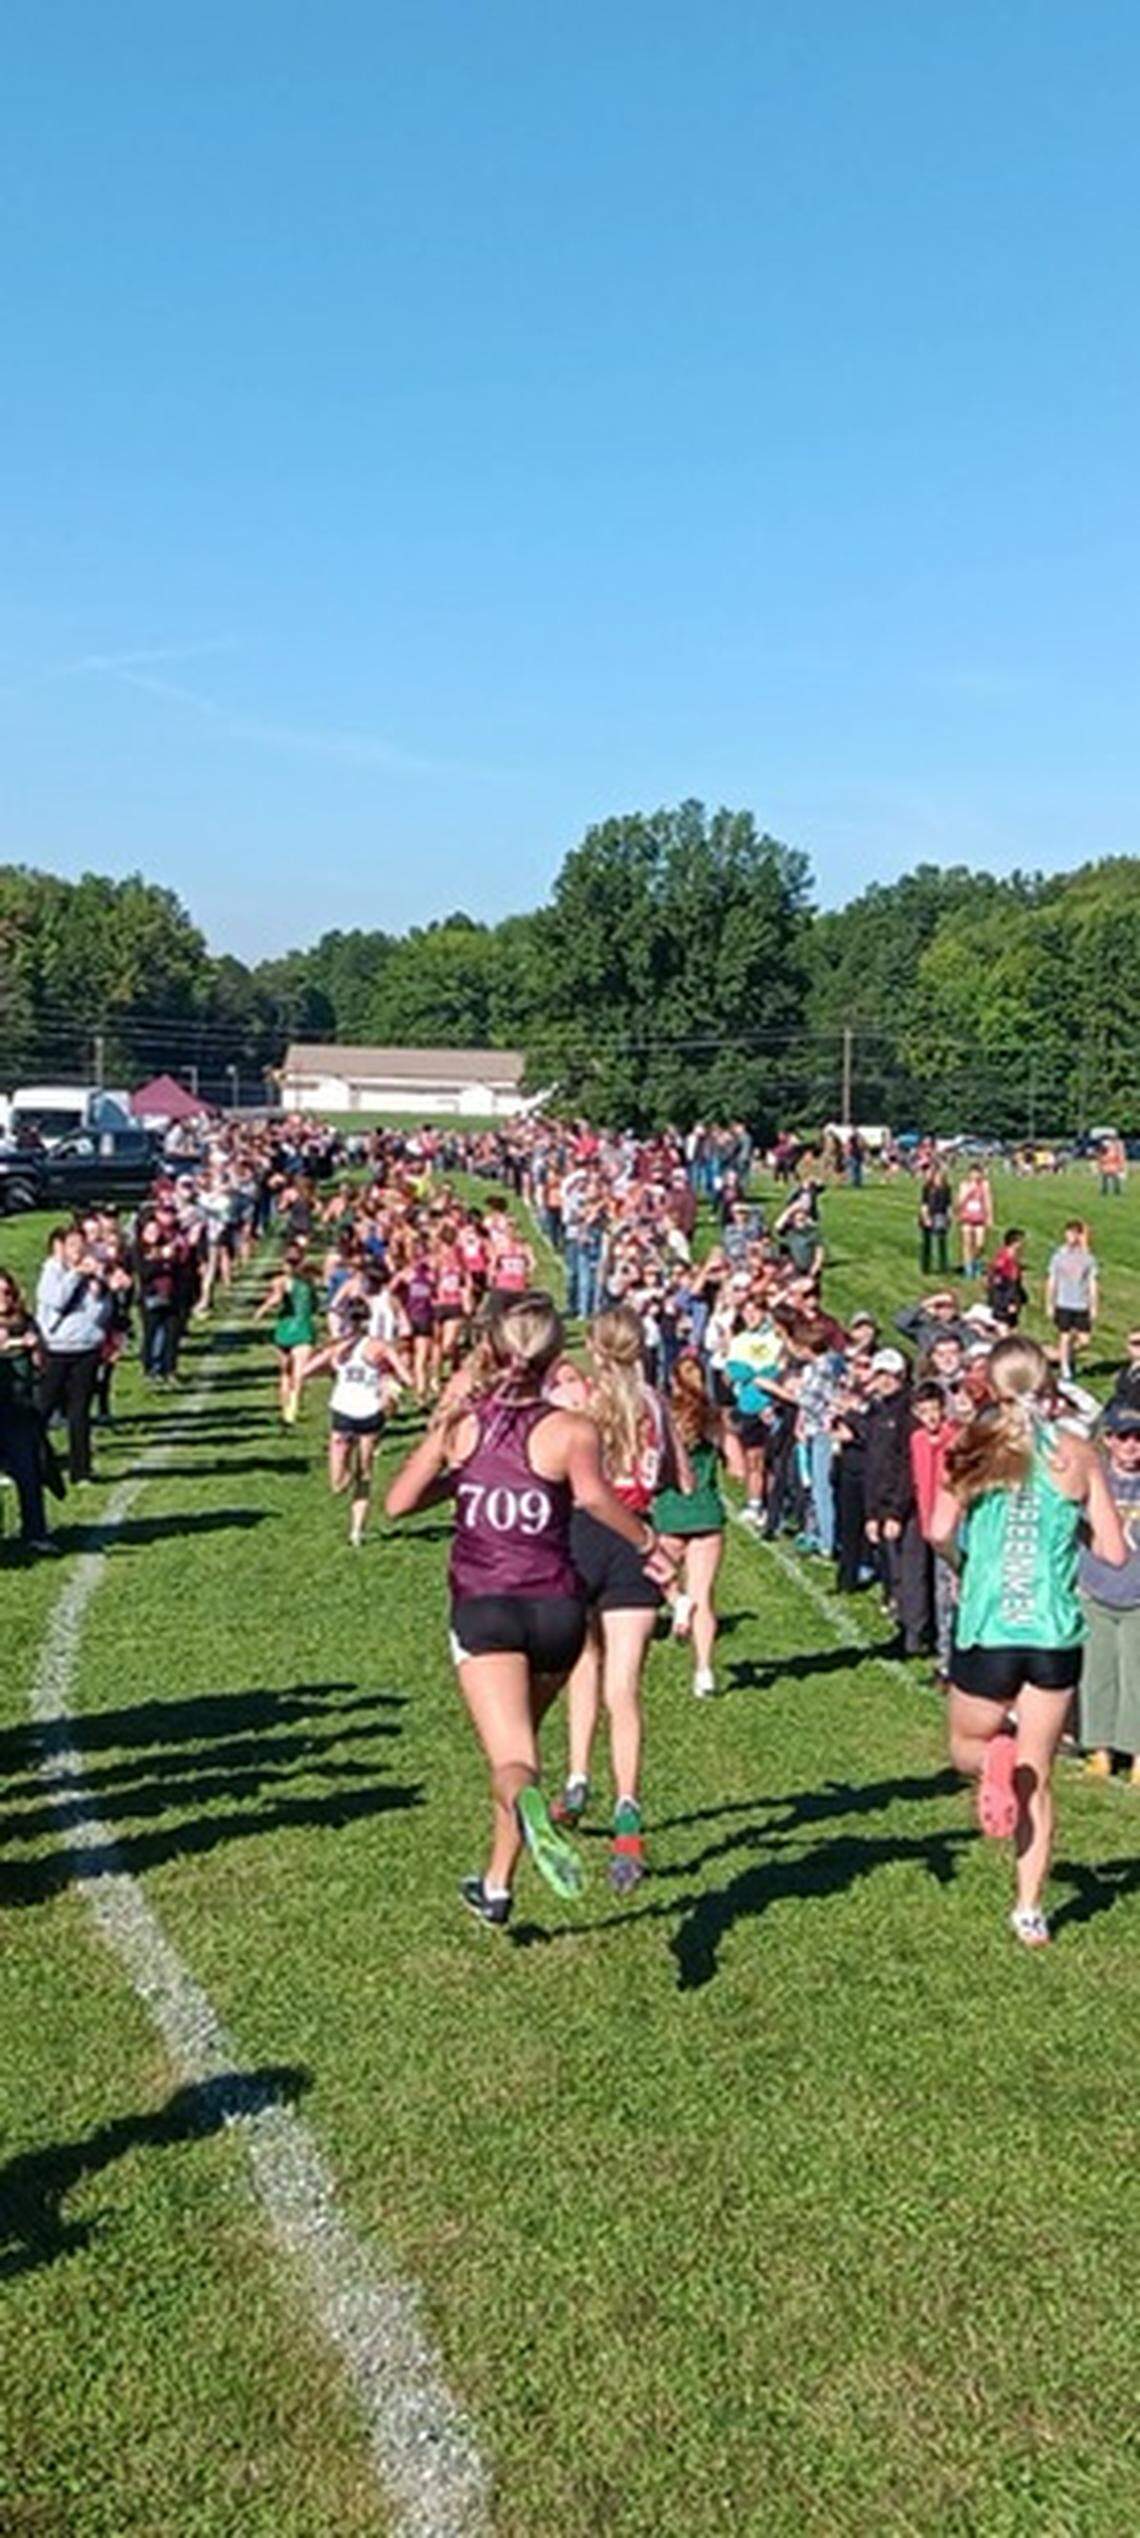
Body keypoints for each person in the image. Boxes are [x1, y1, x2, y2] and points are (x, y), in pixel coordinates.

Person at [384, 1291, 673, 1926]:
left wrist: (454, 1467)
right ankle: (497, 1886)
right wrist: (649, 1545)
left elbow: (398, 1503)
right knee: (522, 1752)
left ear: (490, 1348)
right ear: (554, 1356)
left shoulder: (464, 1423)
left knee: (513, 1766)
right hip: (557, 1614)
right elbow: (593, 1497)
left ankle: (529, 1814)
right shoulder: (573, 1428)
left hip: (487, 1609)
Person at [930, 1336, 1126, 1948]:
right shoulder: (1077, 1453)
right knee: (1035, 1776)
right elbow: (1115, 1552)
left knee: (968, 1746)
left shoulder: (973, 1446)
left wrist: (965, 1564)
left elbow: (937, 1528)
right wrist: (1073, 1535)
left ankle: (991, 1763)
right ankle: (1030, 1910)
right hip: (1053, 1633)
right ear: (1047, 1384)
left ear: (989, 1384)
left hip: (989, 1626)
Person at [552, 1305, 685, 1890]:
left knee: (582, 1663)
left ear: (594, 1348)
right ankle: (627, 1807)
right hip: (637, 1539)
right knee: (623, 1688)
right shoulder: (654, 1404)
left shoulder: (582, 1402)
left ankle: (578, 1779)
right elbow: (680, 1476)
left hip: (585, 1535)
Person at [300, 1299, 411, 1547]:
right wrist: (332, 1366)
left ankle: (356, 1531)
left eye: (343, 1319)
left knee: (364, 1473)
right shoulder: (340, 1348)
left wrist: (386, 1381)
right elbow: (307, 1371)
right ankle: (351, 1483)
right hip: (347, 1411)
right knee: (340, 1483)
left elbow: (406, 1377)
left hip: (366, 1412)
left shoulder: (374, 1347)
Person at [652, 1354, 727, 1698]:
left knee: (656, 1572)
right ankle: (704, 1671)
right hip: (706, 1511)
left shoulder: (664, 1416)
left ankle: (676, 1601)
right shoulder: (714, 1418)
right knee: (704, 1596)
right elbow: (736, 1464)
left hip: (671, 1510)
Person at [1079, 1401, 1140, 1784]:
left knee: (1137, 1676)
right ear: (1108, 1440)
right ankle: (1099, 1748)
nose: (1131, 1445)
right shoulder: (1093, 1479)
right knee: (1097, 1672)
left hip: (1137, 1595)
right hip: (1096, 1589)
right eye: (1123, 1437)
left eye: (1138, 1438)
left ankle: (1136, 1755)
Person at [34, 1224, 113, 1485]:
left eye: (82, 1245)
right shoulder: (52, 1272)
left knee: (80, 1411)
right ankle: (29, 1460)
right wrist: (76, 1275)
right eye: (72, 1246)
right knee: (43, 1408)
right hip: (57, 1349)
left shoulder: (94, 1273)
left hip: (86, 1348)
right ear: (62, 1248)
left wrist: (100, 1287)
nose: (78, 1251)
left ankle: (81, 1470)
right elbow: (56, 1300)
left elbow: (101, 1310)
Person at [0, 1268, 59, 1553]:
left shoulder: (25, 1322)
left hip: (20, 1412)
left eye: (7, 1293)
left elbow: (42, 1365)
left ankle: (35, 1533)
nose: (3, 1299)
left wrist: (36, 1351)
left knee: (29, 1473)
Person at [254, 1242, 317, 1426]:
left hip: (285, 1328)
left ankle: (285, 1408)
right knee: (299, 1372)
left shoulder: (281, 1281)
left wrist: (262, 1309)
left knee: (285, 1372)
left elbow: (277, 1298)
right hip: (304, 1327)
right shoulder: (309, 1280)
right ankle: (292, 1408)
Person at [1045, 1220, 1099, 1381]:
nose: (1072, 1237)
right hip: (1064, 1302)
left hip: (1081, 1303)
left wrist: (1094, 1305)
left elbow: (1092, 1283)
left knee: (1084, 1340)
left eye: (1075, 1234)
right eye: (1069, 1233)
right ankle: (1065, 1367)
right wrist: (1050, 1302)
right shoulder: (1058, 1256)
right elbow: (1052, 1281)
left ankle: (1062, 1355)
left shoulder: (1088, 1258)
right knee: (1065, 1336)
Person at [955, 1164, 994, 1282]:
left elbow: (988, 1200)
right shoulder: (964, 1185)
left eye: (977, 1173)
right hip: (966, 1217)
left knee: (979, 1244)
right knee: (967, 1243)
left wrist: (990, 1216)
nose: (975, 1176)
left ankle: (977, 1263)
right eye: (973, 1173)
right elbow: (959, 1202)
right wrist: (968, 1191)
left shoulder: (984, 1185)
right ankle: (968, 1269)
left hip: (979, 1217)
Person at [918, 1161, 953, 1277]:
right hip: (929, 1215)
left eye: (941, 1175)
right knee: (926, 1243)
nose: (939, 1177)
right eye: (937, 1175)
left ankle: (943, 1267)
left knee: (942, 1242)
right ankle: (925, 1268)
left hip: (941, 1216)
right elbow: (924, 1204)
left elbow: (948, 1204)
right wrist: (926, 1218)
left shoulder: (946, 1188)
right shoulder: (927, 1188)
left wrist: (949, 1217)